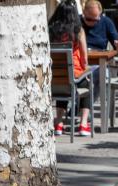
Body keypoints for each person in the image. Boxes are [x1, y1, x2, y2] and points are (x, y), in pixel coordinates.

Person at [49, 0, 92, 136]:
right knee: (87, 85)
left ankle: (59, 124)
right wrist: (88, 72)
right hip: (74, 75)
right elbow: (85, 59)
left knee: (64, 80)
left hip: (54, 78)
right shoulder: (78, 31)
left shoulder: (49, 30)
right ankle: (83, 124)